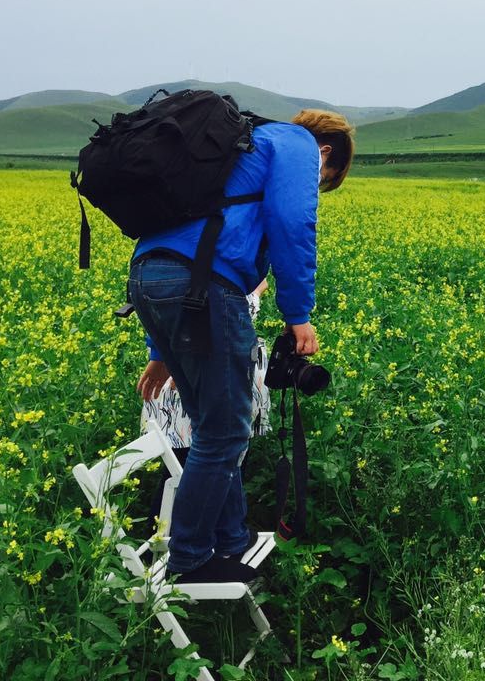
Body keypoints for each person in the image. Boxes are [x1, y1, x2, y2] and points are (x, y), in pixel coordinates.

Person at [127, 107, 354, 584]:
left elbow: (182, 243)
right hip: (208, 286)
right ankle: (189, 558)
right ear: (325, 152)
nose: (318, 188)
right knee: (227, 433)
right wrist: (299, 315)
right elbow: (293, 223)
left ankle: (232, 537)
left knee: (213, 426)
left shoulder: (241, 147)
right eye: (324, 181)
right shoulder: (296, 145)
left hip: (149, 276)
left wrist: (160, 352)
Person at [137, 280, 272, 529]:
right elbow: (232, 313)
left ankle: (180, 538)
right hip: (201, 387)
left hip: (195, 382)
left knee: (190, 470)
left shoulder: (165, 268)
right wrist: (255, 291)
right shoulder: (209, 265)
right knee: (193, 470)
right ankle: (172, 542)